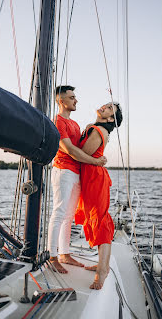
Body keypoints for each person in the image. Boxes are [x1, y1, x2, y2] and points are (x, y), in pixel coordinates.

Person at [48, 85, 107, 274]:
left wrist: (90, 129)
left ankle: (64, 253)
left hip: (75, 173)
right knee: (59, 213)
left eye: (75, 97)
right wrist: (96, 162)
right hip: (63, 171)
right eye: (72, 97)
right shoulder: (57, 122)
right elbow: (71, 151)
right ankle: (52, 256)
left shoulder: (74, 124)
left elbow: (80, 145)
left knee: (68, 215)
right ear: (61, 101)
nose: (76, 100)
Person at [75, 102, 123, 289]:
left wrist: (64, 145)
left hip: (94, 178)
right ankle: (103, 264)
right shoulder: (96, 129)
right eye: (106, 105)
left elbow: (82, 154)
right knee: (97, 219)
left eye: (110, 108)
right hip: (91, 177)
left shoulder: (98, 131)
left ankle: (102, 270)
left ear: (111, 119)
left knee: (100, 220)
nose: (104, 107)